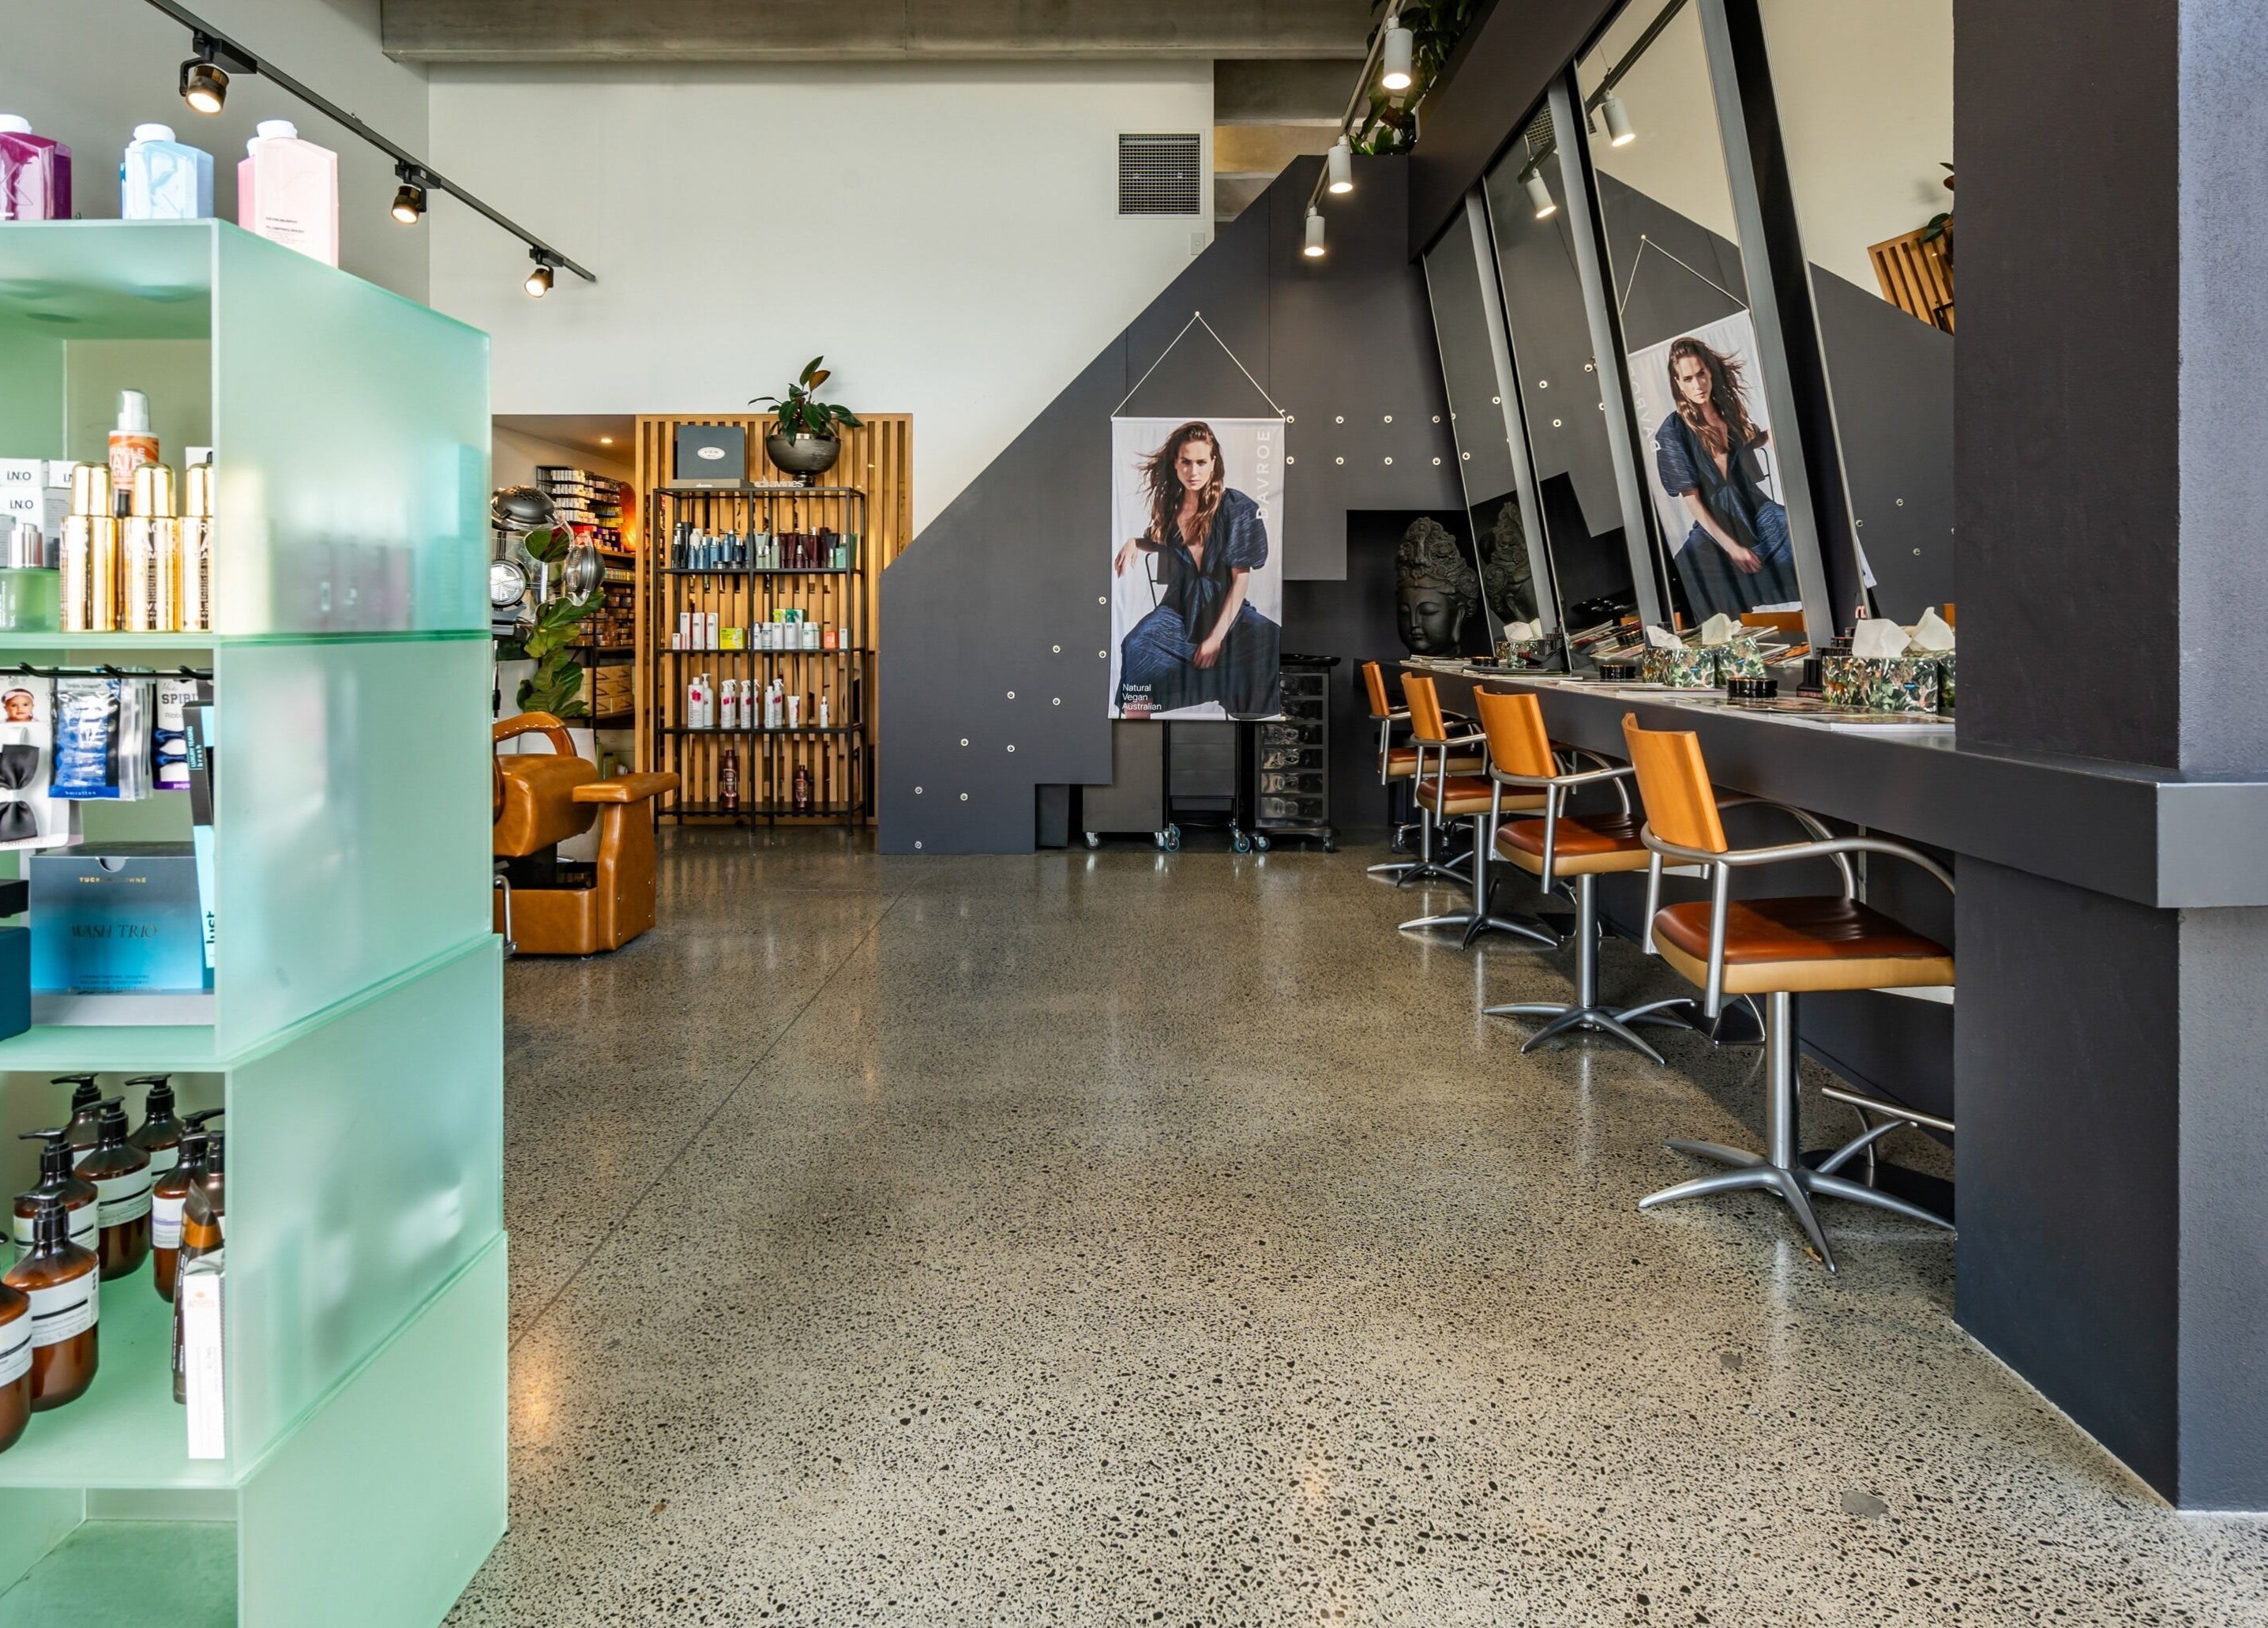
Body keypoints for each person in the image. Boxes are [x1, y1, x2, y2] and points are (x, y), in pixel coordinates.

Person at [1113, 421, 1282, 716]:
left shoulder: (1237, 507)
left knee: (1270, 638)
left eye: (1202, 462)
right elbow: (1163, 540)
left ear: (1214, 463)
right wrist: (1135, 542)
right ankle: (1137, 743)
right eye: (1186, 462)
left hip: (1227, 610)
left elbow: (1240, 580)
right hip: (1179, 611)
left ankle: (1255, 734)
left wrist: (1215, 638)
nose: (1194, 472)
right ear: (1175, 465)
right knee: (1137, 646)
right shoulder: (1171, 508)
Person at [1653, 337, 1800, 617]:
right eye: (1688, 379)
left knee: (1804, 540)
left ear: (1709, 372)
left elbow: (1749, 442)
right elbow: (1692, 501)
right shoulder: (1672, 432)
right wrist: (1731, 547)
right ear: (1678, 383)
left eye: (1701, 374)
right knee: (1687, 571)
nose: (1698, 386)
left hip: (1757, 510)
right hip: (1715, 521)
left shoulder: (1728, 412)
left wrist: (1771, 436)